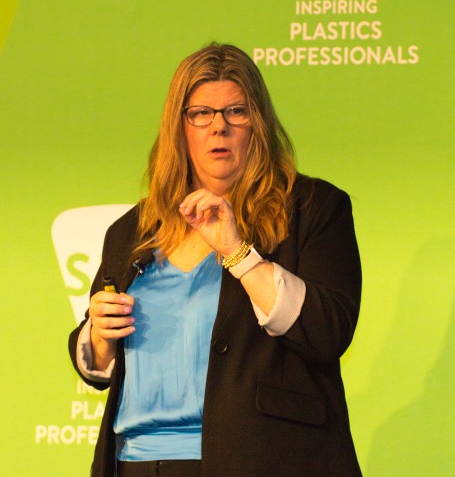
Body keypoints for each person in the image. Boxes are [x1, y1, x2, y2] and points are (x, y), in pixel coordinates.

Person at [68, 43, 362, 476]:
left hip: (262, 461)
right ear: (180, 127)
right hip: (135, 463)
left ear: (258, 124)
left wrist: (238, 252)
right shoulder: (132, 229)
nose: (218, 127)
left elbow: (327, 332)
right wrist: (99, 337)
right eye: (201, 113)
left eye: (236, 112)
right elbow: (98, 361)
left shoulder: (312, 208)